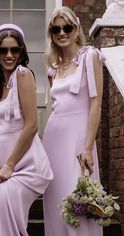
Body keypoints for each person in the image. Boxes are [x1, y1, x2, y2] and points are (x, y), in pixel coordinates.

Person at [0, 23, 53, 236]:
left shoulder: (23, 75)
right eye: (3, 50)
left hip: (28, 167)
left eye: (14, 50)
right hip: (7, 168)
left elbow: (31, 126)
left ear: (21, 52)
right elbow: (8, 130)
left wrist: (8, 165)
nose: (9, 55)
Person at [42, 6, 104, 236]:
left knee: (79, 201)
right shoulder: (53, 69)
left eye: (66, 27)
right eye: (55, 29)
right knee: (56, 201)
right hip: (54, 140)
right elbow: (57, 109)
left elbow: (96, 103)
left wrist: (88, 146)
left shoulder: (91, 56)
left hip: (79, 140)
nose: (61, 32)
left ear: (76, 28)